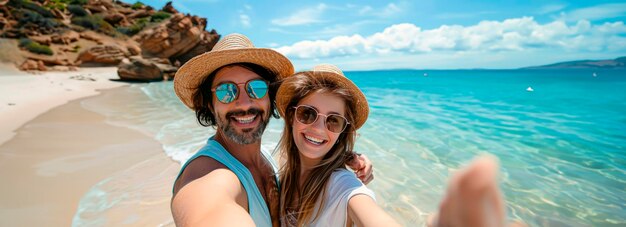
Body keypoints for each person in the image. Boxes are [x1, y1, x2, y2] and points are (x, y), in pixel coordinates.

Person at [170, 34, 373, 227]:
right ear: (209, 103)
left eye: (256, 88)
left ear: (270, 96)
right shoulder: (207, 178)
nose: (243, 103)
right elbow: (208, 209)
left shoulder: (264, 157)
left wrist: (339, 155)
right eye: (226, 91)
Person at [275, 64, 510, 226]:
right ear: (291, 116)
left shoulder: (343, 185)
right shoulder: (280, 171)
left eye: (333, 121)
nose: (318, 128)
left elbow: (371, 215)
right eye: (307, 114)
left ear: (342, 131)